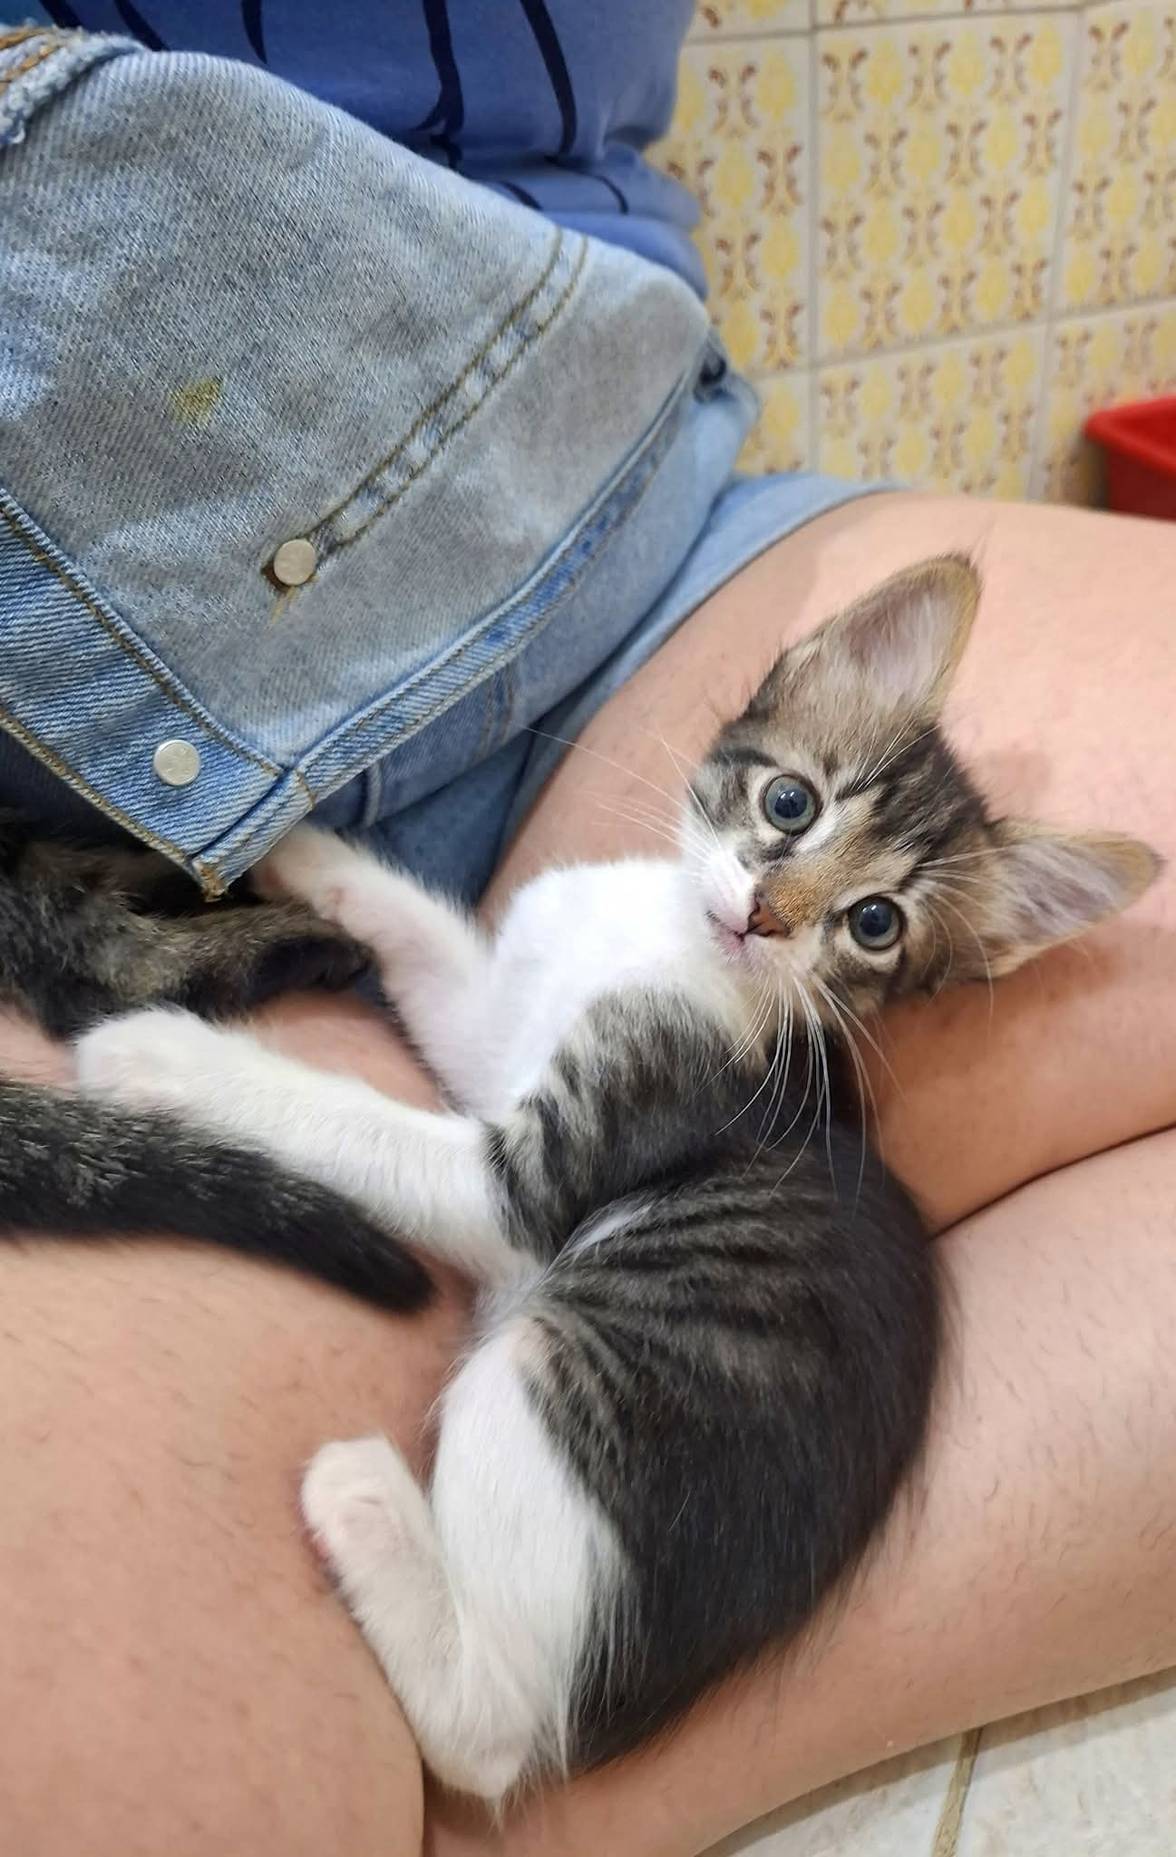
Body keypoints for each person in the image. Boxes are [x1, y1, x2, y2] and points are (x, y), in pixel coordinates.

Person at [1, 10, 1174, 1855]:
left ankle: (552, 1737)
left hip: (631, 536)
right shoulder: (694, 970)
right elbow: (499, 1079)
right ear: (810, 694)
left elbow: (512, 1155)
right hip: (117, 788)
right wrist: (351, 911)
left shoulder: (733, 1001)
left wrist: (249, 1078)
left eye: (860, 915)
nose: (781, 900)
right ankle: (545, 1719)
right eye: (793, 824)